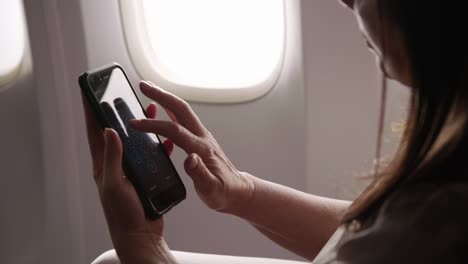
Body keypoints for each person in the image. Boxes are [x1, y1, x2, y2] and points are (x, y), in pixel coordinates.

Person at [84, 0, 468, 263]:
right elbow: (371, 233)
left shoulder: (438, 212)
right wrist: (241, 192)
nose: (346, 1)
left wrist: (142, 244)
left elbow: (395, 237)